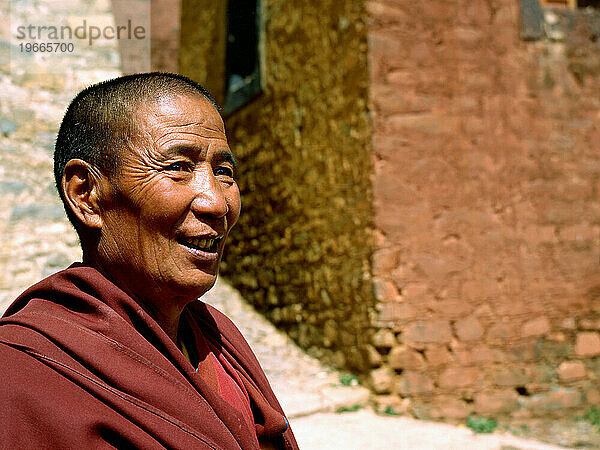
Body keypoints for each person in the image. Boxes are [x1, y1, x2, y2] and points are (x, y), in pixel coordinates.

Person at [0, 73, 298, 449]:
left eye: (223, 173)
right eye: (177, 167)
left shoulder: (218, 339)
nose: (217, 203)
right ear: (87, 195)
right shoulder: (21, 374)